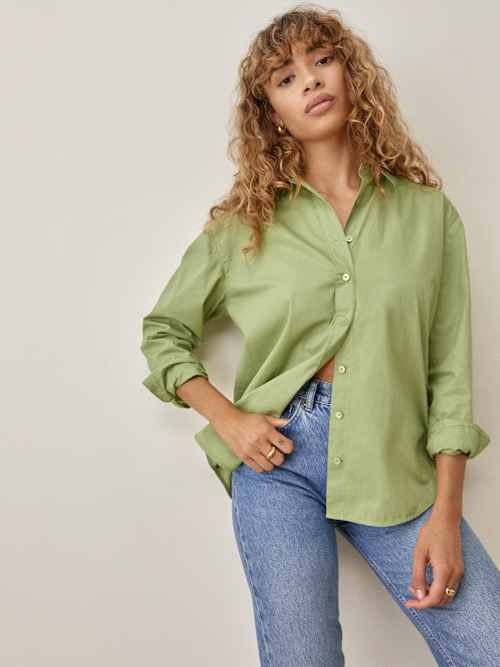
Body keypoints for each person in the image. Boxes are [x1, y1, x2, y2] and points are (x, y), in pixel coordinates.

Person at [140, 5, 500, 665]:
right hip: (278, 462)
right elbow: (165, 331)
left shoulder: (427, 215)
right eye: (285, 77)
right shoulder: (245, 225)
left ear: (350, 74)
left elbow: (449, 371)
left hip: (393, 460)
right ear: (271, 112)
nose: (309, 80)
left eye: (322, 60)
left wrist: (446, 513)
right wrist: (228, 420)